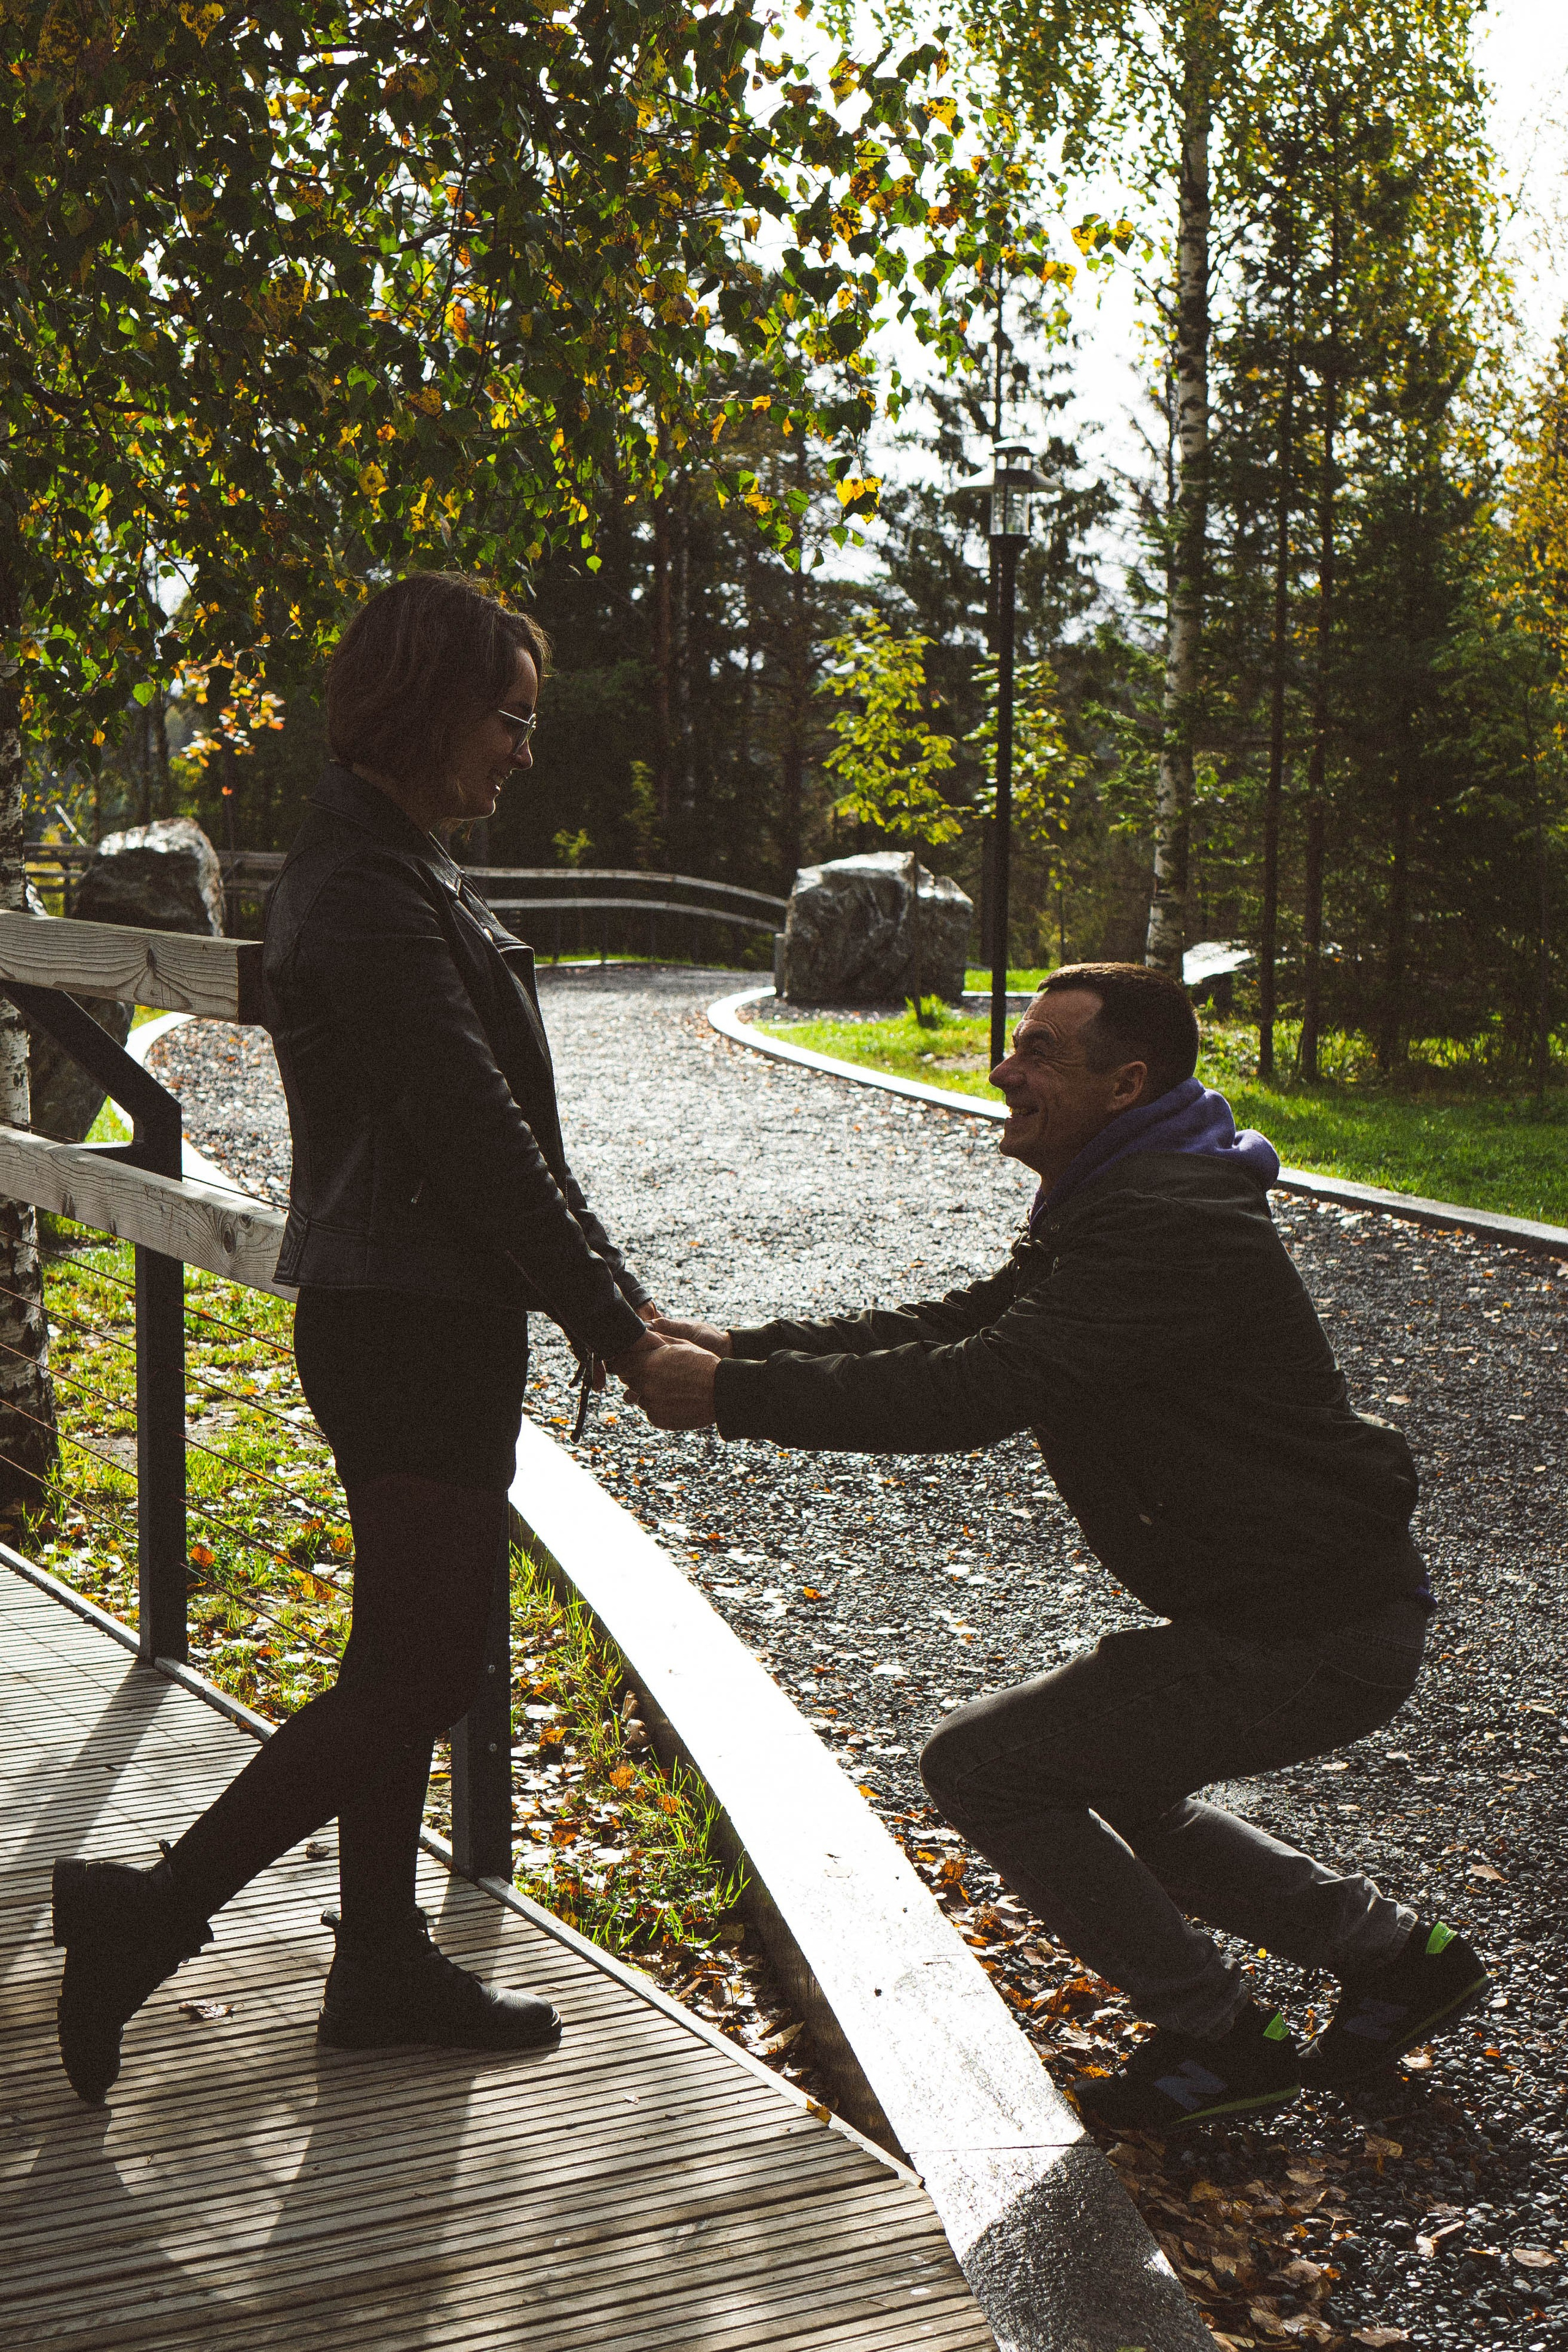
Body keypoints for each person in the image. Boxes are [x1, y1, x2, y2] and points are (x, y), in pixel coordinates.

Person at [630, 962, 1490, 2132]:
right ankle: (1397, 1959)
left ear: (1125, 1084)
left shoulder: (1165, 1222)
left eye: (1038, 1051)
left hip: (1315, 1629)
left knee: (984, 1767)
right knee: (1110, 1777)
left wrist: (731, 1396)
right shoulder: (1129, 1192)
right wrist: (742, 1349)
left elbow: (980, 1386)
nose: (1005, 1070)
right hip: (1293, 1609)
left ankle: (1218, 2037)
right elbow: (964, 1324)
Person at [51, 571, 673, 2105]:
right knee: (422, 1667)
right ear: (426, 707)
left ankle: (379, 1958)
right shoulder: (370, 889)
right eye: (506, 718)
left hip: (418, 1308)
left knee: (403, 1654)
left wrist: (610, 1301)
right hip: (410, 1321)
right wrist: (615, 1322)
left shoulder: (385, 861)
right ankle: (150, 1916)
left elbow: (490, 1129)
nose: (522, 750)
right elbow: (478, 1135)